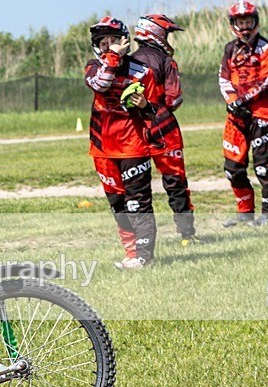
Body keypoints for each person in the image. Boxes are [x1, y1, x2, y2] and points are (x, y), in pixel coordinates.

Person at [84, 17, 162, 269]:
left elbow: (155, 111)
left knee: (137, 202)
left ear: (125, 41)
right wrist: (112, 59)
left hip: (133, 146)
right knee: (117, 203)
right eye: (103, 43)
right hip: (102, 148)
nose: (109, 47)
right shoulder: (93, 68)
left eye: (114, 41)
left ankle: (144, 256)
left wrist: (144, 105)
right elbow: (101, 84)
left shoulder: (142, 71)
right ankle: (130, 253)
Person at [132, 13, 198, 246]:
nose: (169, 39)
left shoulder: (127, 61)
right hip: (163, 129)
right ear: (157, 34)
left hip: (135, 132)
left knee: (137, 189)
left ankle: (139, 242)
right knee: (175, 183)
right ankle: (186, 235)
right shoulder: (166, 62)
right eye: (167, 33)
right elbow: (174, 100)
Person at [219, 0, 268, 227]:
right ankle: (244, 212)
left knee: (264, 166)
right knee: (232, 168)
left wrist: (243, 99)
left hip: (261, 113)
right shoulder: (229, 49)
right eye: (240, 22)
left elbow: (267, 80)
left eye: (248, 21)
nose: (244, 26)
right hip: (236, 115)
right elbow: (223, 77)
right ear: (233, 23)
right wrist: (233, 101)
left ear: (255, 22)